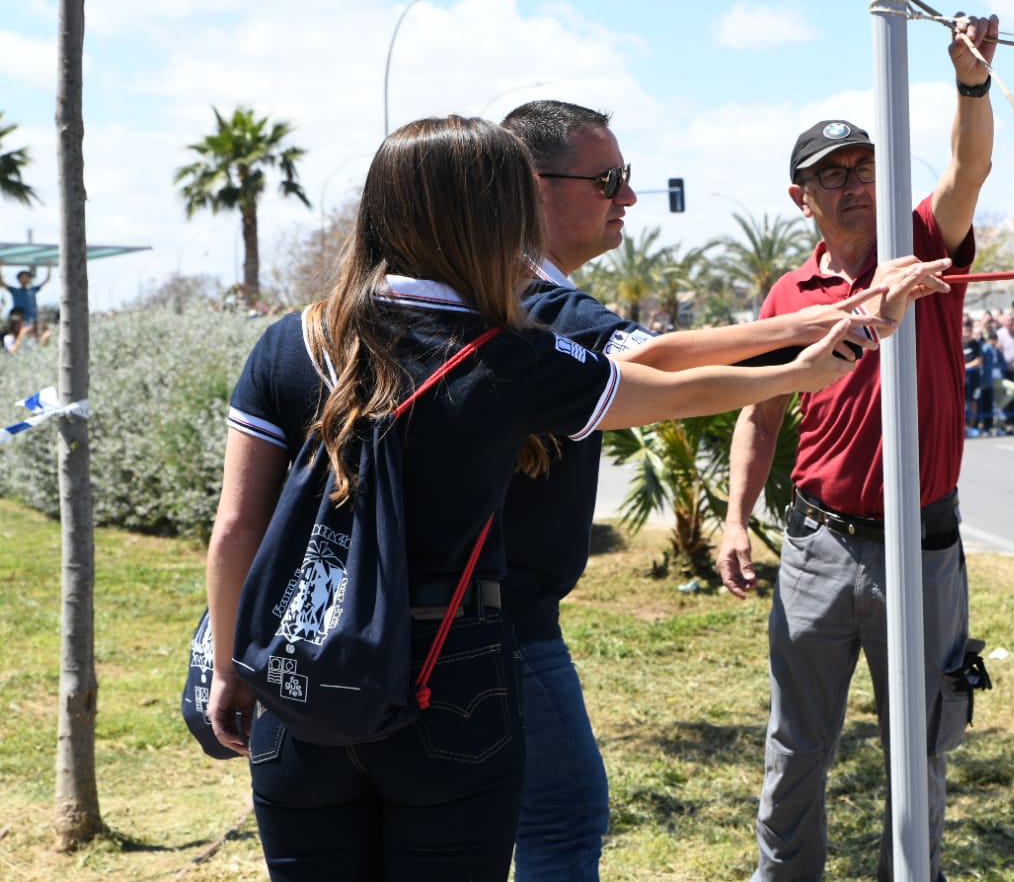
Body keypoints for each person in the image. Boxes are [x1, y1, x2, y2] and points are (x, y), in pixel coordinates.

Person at [204, 115, 871, 881]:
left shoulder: (292, 341)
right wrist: (801, 372)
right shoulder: (508, 358)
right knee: (554, 824)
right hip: (449, 677)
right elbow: (667, 388)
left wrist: (228, 669)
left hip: (296, 680)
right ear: (492, 214)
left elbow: (236, 529)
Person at [495, 99, 940, 880]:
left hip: (460, 617)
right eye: (609, 180)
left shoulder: (487, 294)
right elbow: (663, 369)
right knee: (561, 823)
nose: (629, 197)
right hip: (499, 620)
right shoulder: (536, 301)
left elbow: (657, 363)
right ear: (536, 189)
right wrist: (838, 330)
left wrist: (825, 328)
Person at [716, 12, 1001, 882]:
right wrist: (734, 519)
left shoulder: (923, 246)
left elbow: (968, 169)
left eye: (865, 167)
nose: (853, 184)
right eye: (831, 175)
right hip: (817, 545)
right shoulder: (787, 294)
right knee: (796, 744)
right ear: (799, 197)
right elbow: (759, 414)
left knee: (920, 746)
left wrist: (971, 82)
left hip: (922, 547)